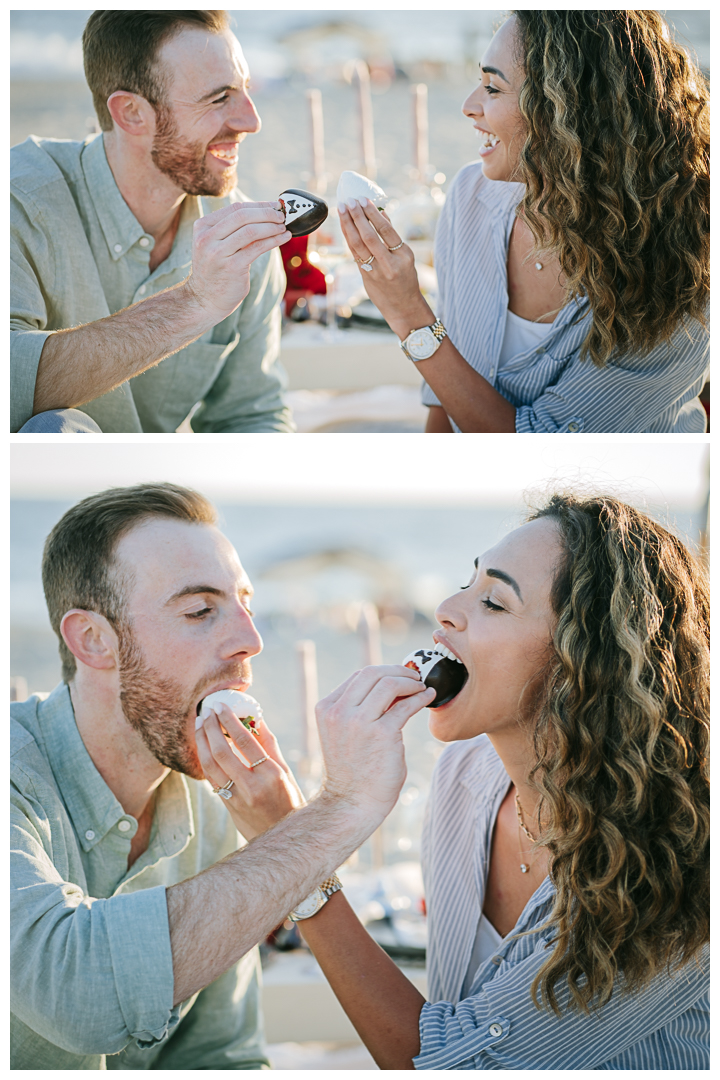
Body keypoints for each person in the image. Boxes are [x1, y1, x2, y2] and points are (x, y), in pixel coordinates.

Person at [211, 493, 710, 1069]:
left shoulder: (676, 867)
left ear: (585, 664)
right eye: (466, 582)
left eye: (494, 603)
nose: (446, 608)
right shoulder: (465, 772)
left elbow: (451, 1064)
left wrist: (296, 848)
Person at [10, 483, 435, 1068]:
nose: (251, 642)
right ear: (92, 639)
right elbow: (77, 995)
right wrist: (339, 810)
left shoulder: (216, 806)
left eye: (246, 607)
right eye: (200, 611)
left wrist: (280, 830)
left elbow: (220, 1057)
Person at [338, 11, 710, 433]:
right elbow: (443, 398)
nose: (468, 106)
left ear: (570, 110)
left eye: (492, 88)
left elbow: (540, 448)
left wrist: (406, 311)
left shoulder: (678, 270)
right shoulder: (471, 196)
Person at [11, 10, 295, 433]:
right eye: (220, 98)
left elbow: (252, 415)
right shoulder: (17, 203)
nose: (251, 121)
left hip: (163, 491)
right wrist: (195, 303)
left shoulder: (241, 238)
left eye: (245, 91)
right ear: (131, 114)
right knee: (54, 428)